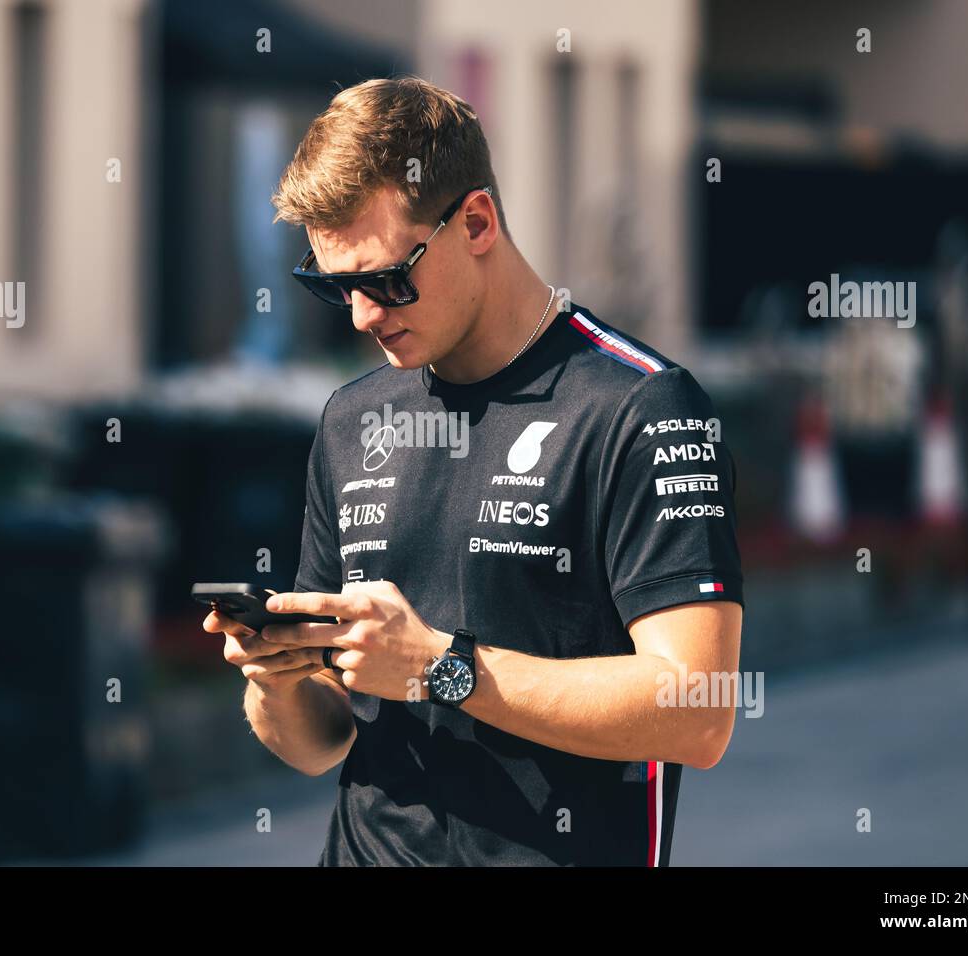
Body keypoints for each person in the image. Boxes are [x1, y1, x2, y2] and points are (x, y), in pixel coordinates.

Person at [203, 77, 744, 866]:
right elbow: (325, 742)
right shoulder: (354, 419)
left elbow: (698, 711)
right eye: (334, 286)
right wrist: (278, 681)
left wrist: (441, 668)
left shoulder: (642, 407)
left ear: (478, 221)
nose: (363, 314)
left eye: (387, 279)